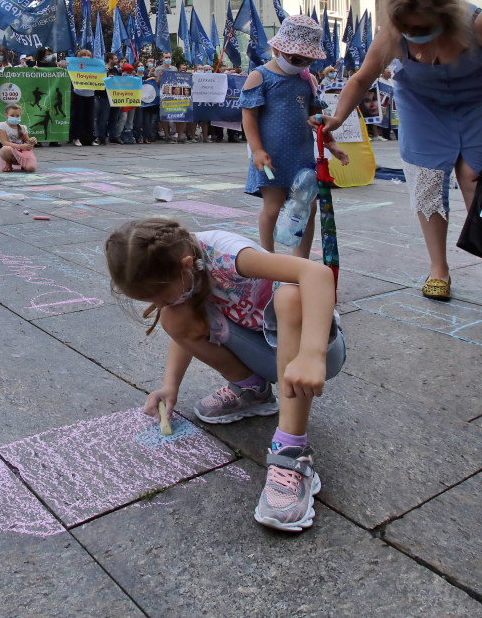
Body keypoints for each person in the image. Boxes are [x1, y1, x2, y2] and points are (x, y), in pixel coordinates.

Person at [104, 217, 344, 532]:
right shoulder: (177, 263)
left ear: (187, 265)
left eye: (160, 297)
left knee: (290, 297)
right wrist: (170, 387)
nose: (159, 304)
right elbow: (183, 319)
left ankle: (292, 452)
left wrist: (312, 354)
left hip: (314, 352)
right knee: (174, 318)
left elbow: (317, 273)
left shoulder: (227, 254)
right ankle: (252, 391)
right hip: (263, 349)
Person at [318, 0, 482, 313]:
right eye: (406, 29)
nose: (413, 36)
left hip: (477, 106)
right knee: (428, 185)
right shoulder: (393, 33)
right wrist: (338, 118)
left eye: (421, 28)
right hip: (422, 109)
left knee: (480, 185)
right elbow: (362, 78)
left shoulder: (479, 24)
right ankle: (439, 269)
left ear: (445, 19)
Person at [241, 14, 350, 253]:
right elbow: (249, 116)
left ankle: (300, 261)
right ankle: (268, 257)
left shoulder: (307, 80)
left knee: (307, 208)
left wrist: (331, 144)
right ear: (278, 48)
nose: (301, 64)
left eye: (307, 60)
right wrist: (257, 150)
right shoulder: (260, 76)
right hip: (272, 156)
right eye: (296, 58)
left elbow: (318, 118)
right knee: (273, 206)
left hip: (302, 156)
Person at [0, 102, 37, 172]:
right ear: (6, 114)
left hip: (23, 153)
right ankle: (8, 164)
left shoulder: (23, 127)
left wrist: (32, 141)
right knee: (5, 149)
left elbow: (27, 142)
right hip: (11, 152)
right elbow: (4, 142)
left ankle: (23, 164)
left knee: (31, 168)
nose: (15, 117)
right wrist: (20, 146)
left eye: (17, 116)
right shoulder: (2, 126)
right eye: (12, 115)